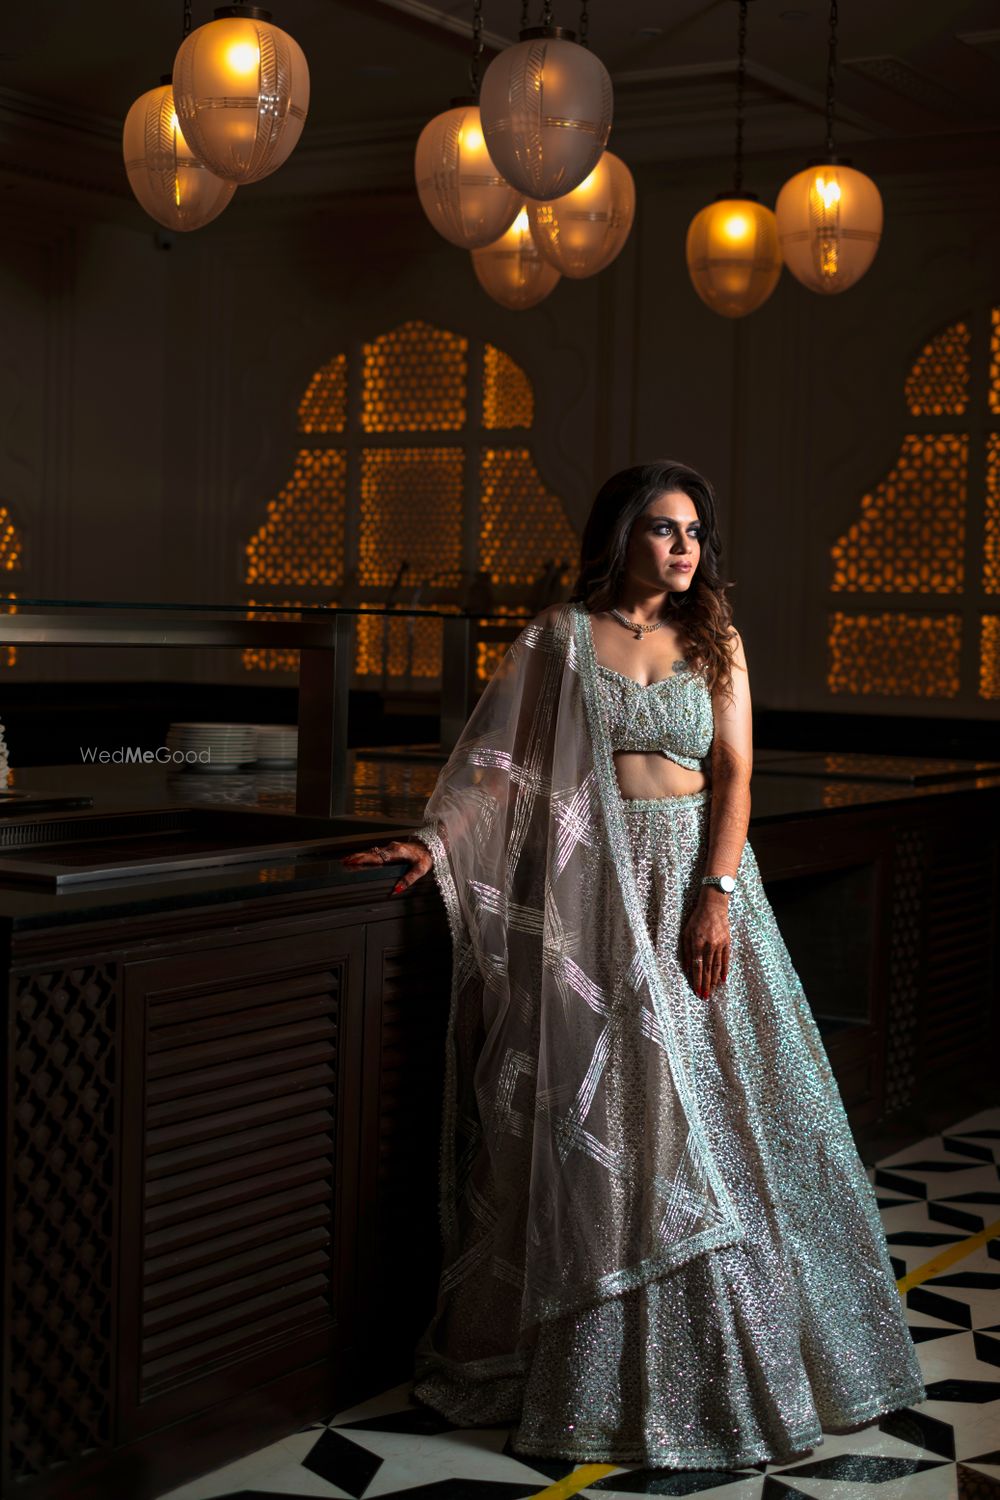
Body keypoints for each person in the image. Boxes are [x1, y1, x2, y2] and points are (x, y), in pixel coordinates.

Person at [340, 460, 926, 1470]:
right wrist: (435, 845)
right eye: (663, 529)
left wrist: (717, 895)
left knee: (725, 1110)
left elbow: (734, 774)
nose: (685, 546)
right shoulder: (559, 639)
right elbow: (498, 774)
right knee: (610, 1108)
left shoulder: (716, 640)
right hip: (594, 900)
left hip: (692, 888)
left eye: (694, 529)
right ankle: (596, 1370)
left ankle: (751, 1364)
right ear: (622, 538)